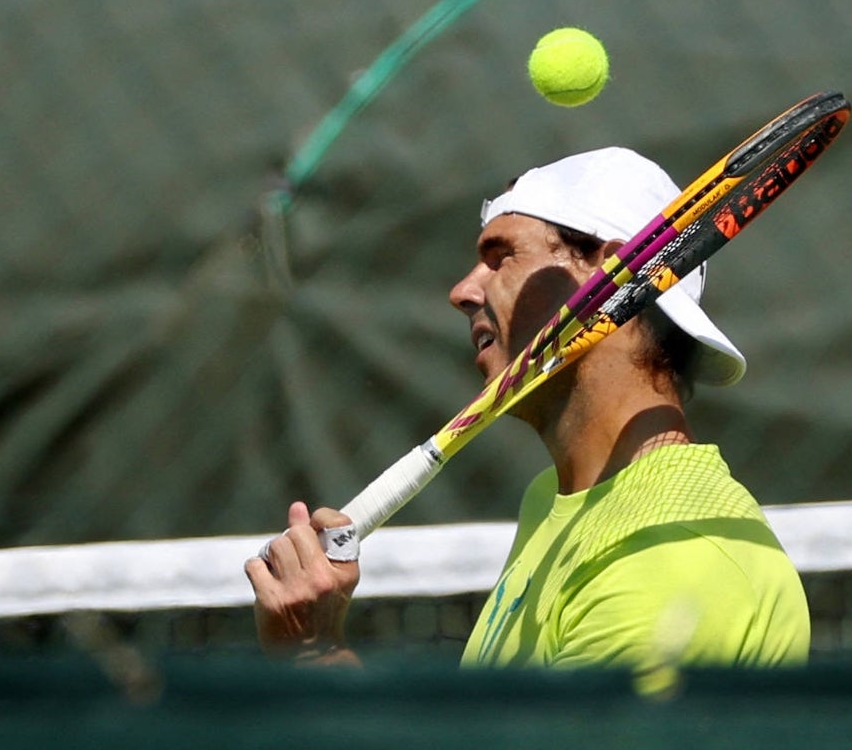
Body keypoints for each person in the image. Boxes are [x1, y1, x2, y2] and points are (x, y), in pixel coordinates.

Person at [244, 147, 810, 671]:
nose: (462, 291)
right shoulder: (558, 502)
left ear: (609, 278)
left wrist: (319, 657)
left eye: (501, 257)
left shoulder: (672, 556)